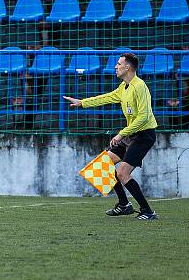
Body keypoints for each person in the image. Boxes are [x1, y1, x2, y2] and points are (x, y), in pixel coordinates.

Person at [63, 52, 159, 220]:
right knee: (104, 164)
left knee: (122, 172)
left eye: (119, 63)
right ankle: (124, 205)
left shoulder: (140, 86)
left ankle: (148, 211)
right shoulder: (124, 87)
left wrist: (122, 134)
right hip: (131, 133)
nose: (115, 66)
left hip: (144, 135)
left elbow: (143, 117)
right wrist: (82, 103)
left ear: (127, 67)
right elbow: (107, 97)